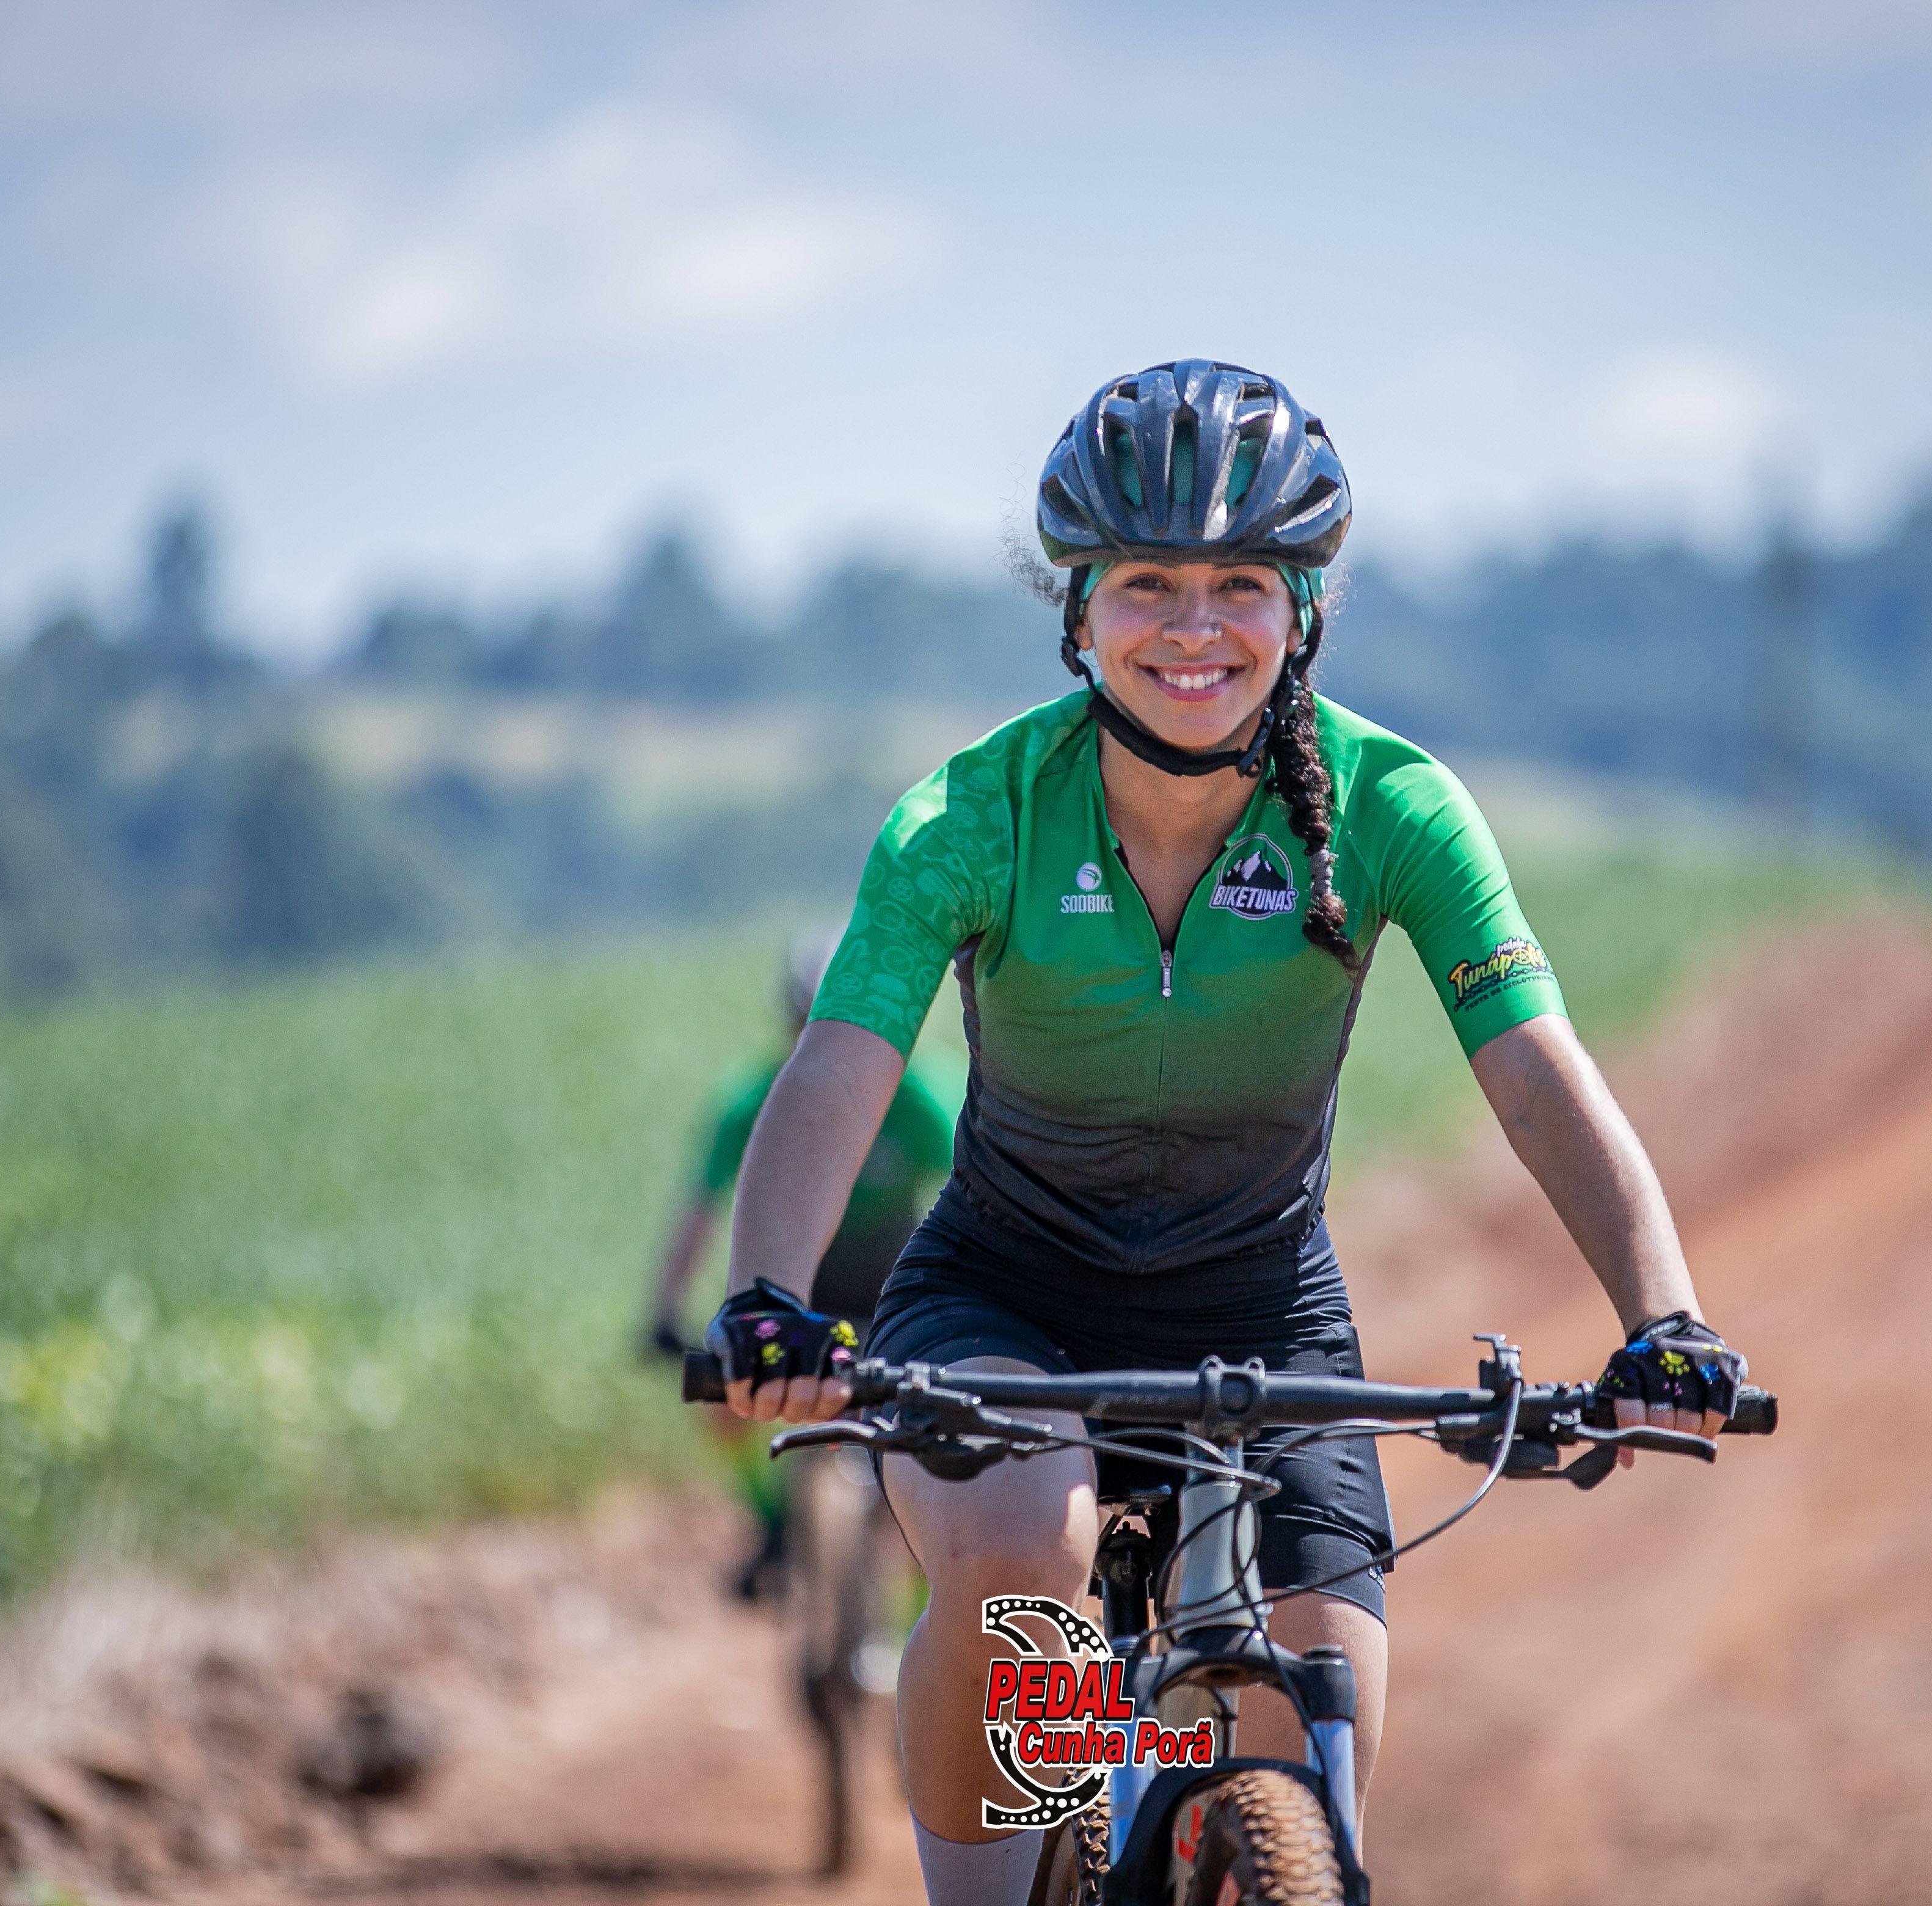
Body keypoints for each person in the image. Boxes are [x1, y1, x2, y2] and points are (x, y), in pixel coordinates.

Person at [709, 360, 1753, 1906]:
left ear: (1302, 608)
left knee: (1325, 1713)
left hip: (1263, 1310)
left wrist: (1663, 1317)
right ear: (1077, 609)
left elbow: (1535, 1070)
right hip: (1002, 1295)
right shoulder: (973, 812)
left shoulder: (1395, 805)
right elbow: (842, 1064)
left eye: (1239, 584)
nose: (1193, 626)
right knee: (1023, 1559)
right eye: (1147, 582)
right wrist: (768, 1295)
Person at [649, 925, 958, 1597]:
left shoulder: (922, 1101)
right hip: (799, 1289)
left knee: (931, 1472)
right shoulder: (750, 1102)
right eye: (806, 1027)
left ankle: (925, 1604)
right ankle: (772, 1525)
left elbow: (977, 1192)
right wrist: (663, 1309)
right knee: (727, 1403)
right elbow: (697, 1212)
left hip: (888, 1290)